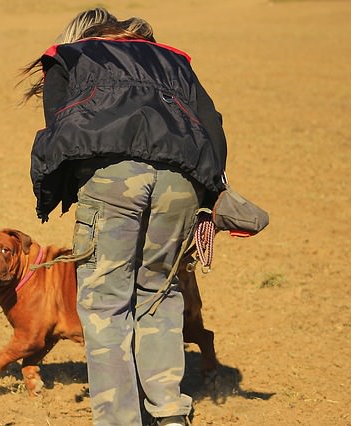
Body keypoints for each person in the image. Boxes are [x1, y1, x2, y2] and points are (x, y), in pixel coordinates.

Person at [21, 9, 228, 426]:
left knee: (104, 305)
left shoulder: (71, 54)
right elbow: (212, 126)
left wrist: (56, 193)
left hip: (114, 179)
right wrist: (211, 195)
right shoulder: (173, 60)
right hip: (181, 182)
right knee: (161, 295)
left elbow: (60, 127)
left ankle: (119, 420)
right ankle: (170, 413)